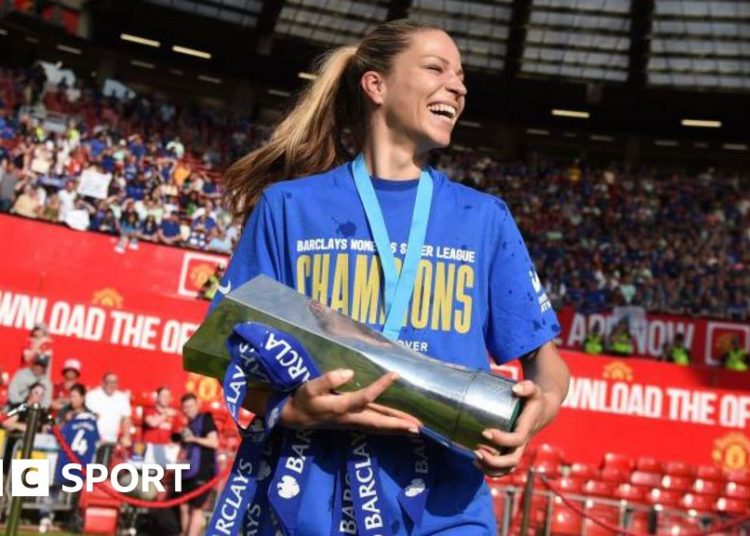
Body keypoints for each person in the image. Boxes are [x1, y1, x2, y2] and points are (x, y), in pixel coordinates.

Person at [212, 20, 570, 535]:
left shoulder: (484, 218)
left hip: (445, 507)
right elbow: (226, 354)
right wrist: (291, 409)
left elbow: (545, 363)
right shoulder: (289, 207)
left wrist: (539, 412)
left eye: (462, 75)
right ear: (375, 85)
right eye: (436, 68)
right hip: (308, 497)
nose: (459, 86)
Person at [178, 394, 217, 536]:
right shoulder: (188, 425)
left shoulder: (206, 419)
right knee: (183, 506)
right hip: (187, 471)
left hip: (203, 471)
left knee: (196, 508)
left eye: (191, 405)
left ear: (197, 405)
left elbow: (214, 442)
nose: (188, 409)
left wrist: (193, 439)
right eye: (185, 407)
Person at [85, 372, 132, 464]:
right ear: (102, 382)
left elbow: (126, 418)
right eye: (109, 382)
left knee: (104, 470)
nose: (111, 385)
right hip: (92, 440)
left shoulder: (122, 398)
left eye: (114, 382)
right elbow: (88, 418)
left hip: (111, 441)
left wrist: (126, 436)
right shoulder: (92, 395)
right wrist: (96, 436)